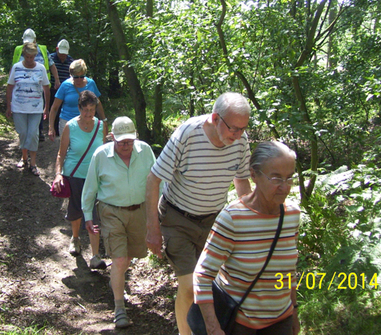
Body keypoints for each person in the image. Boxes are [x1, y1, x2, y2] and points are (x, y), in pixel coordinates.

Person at [146, 92, 253, 335]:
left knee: (211, 286)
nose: (238, 136)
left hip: (215, 222)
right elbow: (153, 179)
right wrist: (152, 229)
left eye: (243, 129)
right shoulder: (188, 134)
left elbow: (242, 182)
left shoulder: (241, 141)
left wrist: (250, 224)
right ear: (216, 118)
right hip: (177, 219)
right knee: (190, 286)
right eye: (234, 129)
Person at [193, 141, 301, 335]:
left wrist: (294, 311)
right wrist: (212, 327)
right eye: (276, 178)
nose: (284, 187)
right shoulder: (233, 218)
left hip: (282, 322)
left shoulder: (292, 215)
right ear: (253, 175)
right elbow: (202, 275)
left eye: (289, 178)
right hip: (241, 325)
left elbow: (289, 272)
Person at [82, 117, 156, 329]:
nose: (126, 145)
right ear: (111, 137)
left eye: (130, 141)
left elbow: (157, 180)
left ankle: (117, 280)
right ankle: (119, 307)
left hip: (139, 210)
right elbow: (90, 187)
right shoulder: (101, 155)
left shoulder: (145, 152)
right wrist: (88, 215)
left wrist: (159, 210)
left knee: (129, 256)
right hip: (110, 210)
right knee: (120, 258)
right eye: (121, 141)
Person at [50, 90, 106, 268]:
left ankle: (95, 255)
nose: (89, 113)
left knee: (94, 214)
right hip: (74, 175)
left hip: (96, 176)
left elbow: (105, 151)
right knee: (76, 210)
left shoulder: (101, 126)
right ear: (79, 108)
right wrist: (59, 174)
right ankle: (75, 239)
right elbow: (61, 154)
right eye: (85, 109)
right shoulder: (70, 127)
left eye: (92, 109)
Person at [6, 41, 50, 176]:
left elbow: (46, 88)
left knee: (33, 134)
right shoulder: (16, 67)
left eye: (32, 57)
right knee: (23, 133)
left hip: (36, 108)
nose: (30, 60)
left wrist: (46, 107)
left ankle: (33, 163)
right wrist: (8, 105)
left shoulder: (41, 68)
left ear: (35, 55)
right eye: (27, 57)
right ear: (24, 55)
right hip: (19, 107)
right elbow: (9, 86)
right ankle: (24, 157)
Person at [12, 28, 60, 140]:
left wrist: (56, 79)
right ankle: (27, 133)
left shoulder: (43, 50)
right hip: (23, 85)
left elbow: (52, 64)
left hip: (41, 85)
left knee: (38, 107)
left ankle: (38, 131)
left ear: (35, 41)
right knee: (25, 106)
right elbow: (14, 66)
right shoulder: (19, 50)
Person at [48, 59, 108, 141]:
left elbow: (98, 104)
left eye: (82, 76)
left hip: (87, 121)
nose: (79, 79)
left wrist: (104, 120)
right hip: (67, 122)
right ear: (71, 74)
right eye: (76, 77)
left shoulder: (91, 84)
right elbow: (54, 108)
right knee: (67, 150)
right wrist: (51, 127)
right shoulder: (65, 85)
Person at [49, 39, 74, 135]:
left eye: (65, 54)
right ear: (56, 49)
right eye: (61, 53)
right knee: (53, 108)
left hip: (66, 91)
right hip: (52, 90)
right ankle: (52, 128)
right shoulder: (50, 58)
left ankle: (60, 130)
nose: (63, 56)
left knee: (62, 110)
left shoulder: (71, 61)